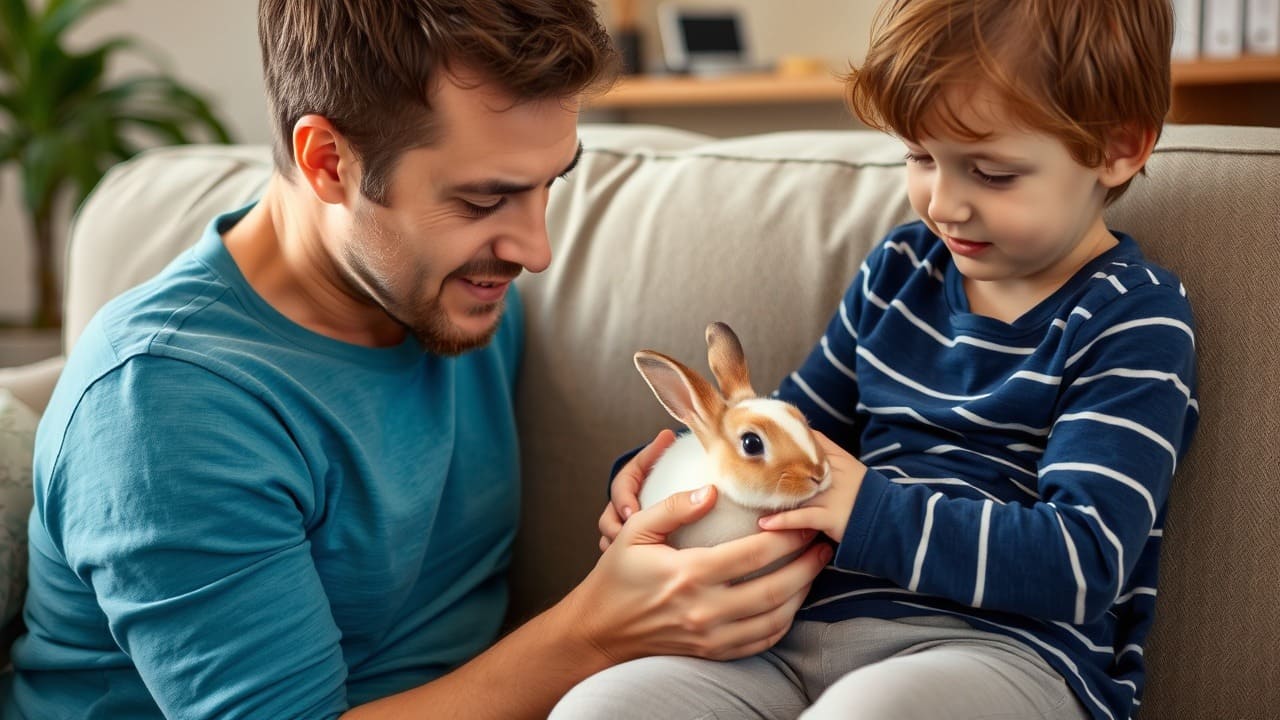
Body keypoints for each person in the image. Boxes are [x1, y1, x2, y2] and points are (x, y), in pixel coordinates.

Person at [1, 2, 832, 718]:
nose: (535, 250)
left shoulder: (452, 292)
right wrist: (596, 629)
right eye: (482, 199)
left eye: (550, 184)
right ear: (329, 162)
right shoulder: (166, 407)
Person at [569, 0, 1199, 718]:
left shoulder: (1132, 317)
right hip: (786, 641)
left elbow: (1084, 563)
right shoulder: (900, 269)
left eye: (990, 173)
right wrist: (672, 480)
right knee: (604, 706)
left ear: (1118, 147)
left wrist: (869, 509)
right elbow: (786, 438)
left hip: (994, 653)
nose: (945, 204)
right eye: (920, 157)